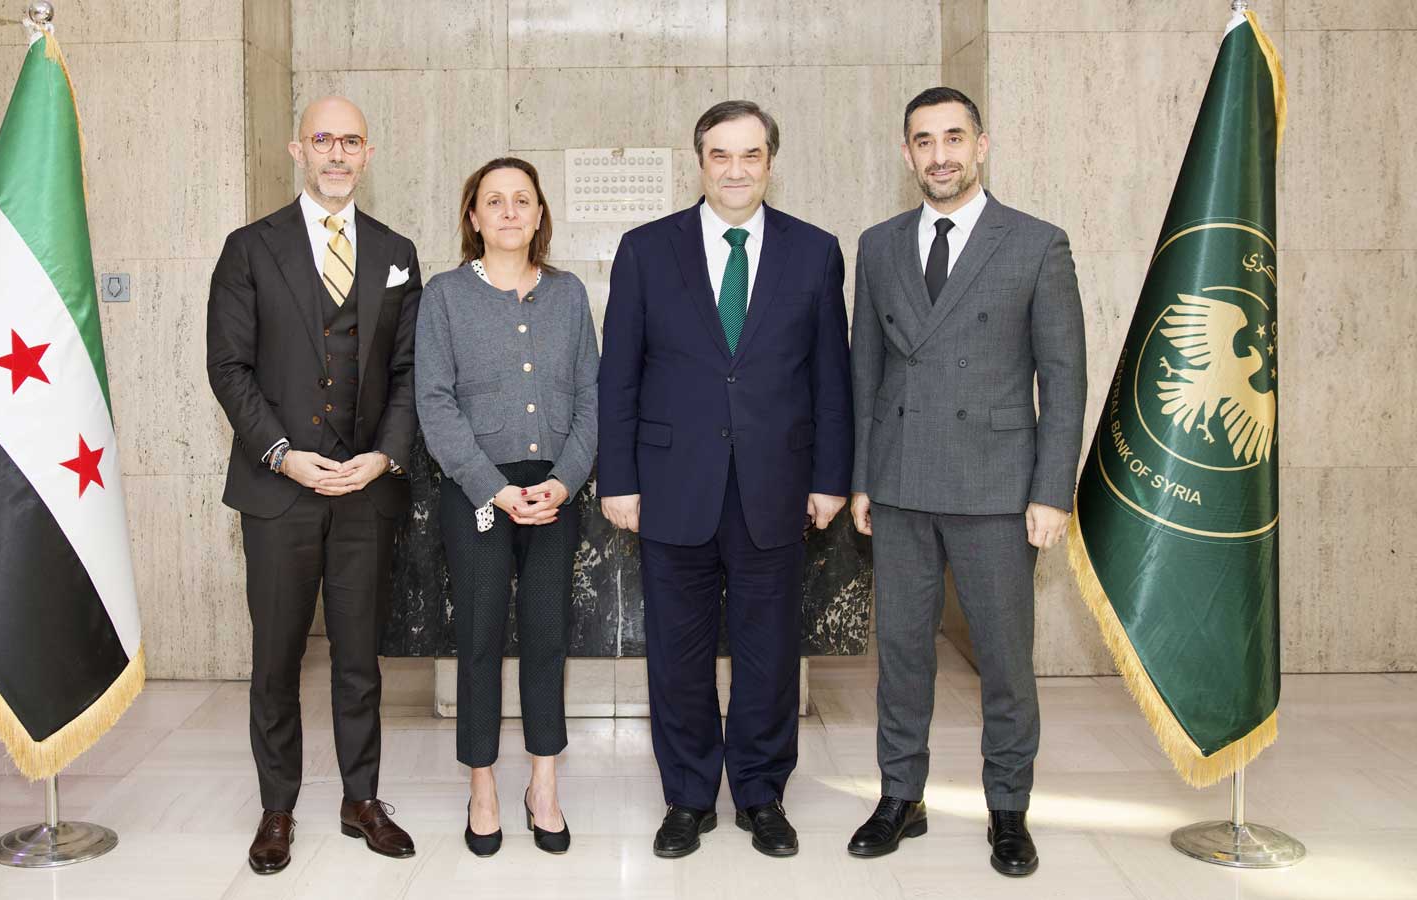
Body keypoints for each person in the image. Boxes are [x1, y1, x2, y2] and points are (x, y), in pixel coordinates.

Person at [597, 100, 853, 859]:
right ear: (698, 160)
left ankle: (762, 794)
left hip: (777, 484)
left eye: (750, 154)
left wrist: (831, 477)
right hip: (672, 484)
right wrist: (619, 479)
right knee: (677, 654)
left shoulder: (815, 251)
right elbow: (620, 376)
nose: (735, 170)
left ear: (771, 160)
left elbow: (831, 378)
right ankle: (686, 798)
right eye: (720, 155)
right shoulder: (646, 249)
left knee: (769, 651)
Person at [846, 86, 1087, 877]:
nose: (939, 154)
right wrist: (861, 480)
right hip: (904, 483)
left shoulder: (1036, 243)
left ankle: (1009, 810)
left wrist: (1053, 491)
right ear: (906, 152)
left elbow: (1064, 376)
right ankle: (899, 796)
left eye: (954, 137)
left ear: (981, 146)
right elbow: (865, 376)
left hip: (997, 490)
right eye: (923, 140)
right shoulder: (879, 246)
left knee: (1005, 662)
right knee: (903, 653)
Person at [207, 95, 423, 875]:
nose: (337, 153)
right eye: (323, 139)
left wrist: (387, 456)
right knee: (277, 658)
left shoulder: (397, 250)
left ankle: (361, 799)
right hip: (278, 491)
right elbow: (228, 368)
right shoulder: (248, 248)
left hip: (366, 491)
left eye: (352, 141)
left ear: (368, 153)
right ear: (296, 148)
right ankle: (277, 808)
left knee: (360, 657)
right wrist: (280, 453)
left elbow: (407, 372)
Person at [415, 157, 598, 857]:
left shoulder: (568, 294)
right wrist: (491, 486)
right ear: (473, 217)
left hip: (554, 491)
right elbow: (434, 401)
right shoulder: (446, 298)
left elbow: (591, 396)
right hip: (478, 494)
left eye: (523, 200)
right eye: (495, 201)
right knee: (481, 638)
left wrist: (569, 478)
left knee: (548, 637)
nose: (510, 211)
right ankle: (483, 785)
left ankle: (543, 784)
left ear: (541, 214)